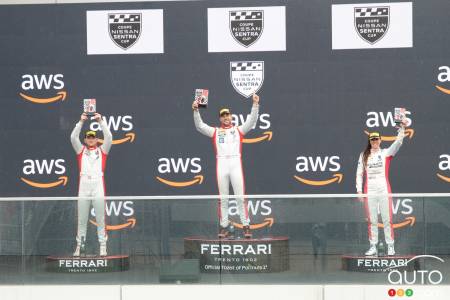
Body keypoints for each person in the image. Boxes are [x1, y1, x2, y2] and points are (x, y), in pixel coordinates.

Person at [192, 94, 260, 239]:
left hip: (235, 164)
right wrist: (196, 111)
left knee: (240, 197)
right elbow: (200, 126)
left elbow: (252, 120)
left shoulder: (239, 130)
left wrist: (255, 105)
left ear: (231, 116)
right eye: (223, 116)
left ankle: (246, 226)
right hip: (221, 164)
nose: (225, 118)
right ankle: (224, 227)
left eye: (227, 115)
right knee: (223, 198)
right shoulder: (216, 132)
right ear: (220, 118)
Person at [356, 122, 406, 256]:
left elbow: (398, 143)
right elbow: (359, 173)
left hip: (384, 189)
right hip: (369, 190)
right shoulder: (364, 155)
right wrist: (359, 191)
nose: (374, 141)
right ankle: (373, 246)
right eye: (372, 139)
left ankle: (390, 246)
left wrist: (402, 129)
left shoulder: (385, 153)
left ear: (380, 140)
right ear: (370, 141)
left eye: (376, 139)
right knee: (372, 220)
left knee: (387, 219)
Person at [70, 113, 112, 256]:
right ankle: (79, 246)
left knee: (100, 217)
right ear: (85, 139)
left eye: (93, 137)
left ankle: (103, 245)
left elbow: (109, 137)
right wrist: (81, 122)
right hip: (84, 185)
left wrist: (101, 121)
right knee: (82, 218)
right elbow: (73, 138)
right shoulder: (80, 150)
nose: (91, 139)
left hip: (98, 184)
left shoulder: (103, 150)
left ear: (96, 139)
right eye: (89, 137)